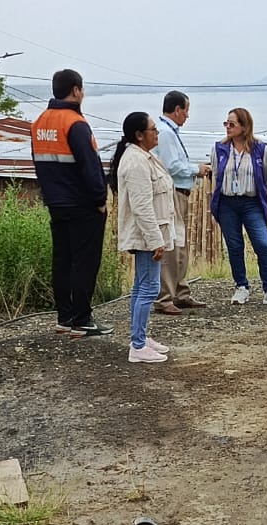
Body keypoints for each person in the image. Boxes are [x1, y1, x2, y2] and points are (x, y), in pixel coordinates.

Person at [30, 69, 112, 337]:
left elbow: (39, 165)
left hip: (56, 203)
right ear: (76, 90)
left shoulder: (39, 122)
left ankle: (64, 317)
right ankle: (82, 319)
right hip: (82, 204)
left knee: (62, 260)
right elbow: (90, 166)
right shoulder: (75, 123)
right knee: (84, 261)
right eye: (82, 89)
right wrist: (100, 199)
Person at [112, 112, 181, 363]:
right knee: (149, 288)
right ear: (140, 135)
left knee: (141, 286)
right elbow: (141, 206)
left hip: (150, 233)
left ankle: (139, 336)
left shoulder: (144, 157)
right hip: (146, 236)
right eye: (153, 129)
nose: (157, 132)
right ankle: (138, 345)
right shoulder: (136, 162)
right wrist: (155, 240)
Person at [209, 108, 267, 306]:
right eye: (226, 124)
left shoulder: (261, 150)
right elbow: (216, 174)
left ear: (244, 126)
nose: (228, 128)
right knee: (234, 246)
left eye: (232, 124)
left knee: (262, 243)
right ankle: (241, 287)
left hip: (251, 202)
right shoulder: (220, 149)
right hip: (227, 202)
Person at [151, 90, 211, 316]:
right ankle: (165, 297)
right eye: (186, 110)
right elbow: (172, 166)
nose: (187, 115)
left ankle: (180, 292)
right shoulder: (166, 133)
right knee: (172, 244)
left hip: (179, 191)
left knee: (180, 242)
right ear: (177, 110)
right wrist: (196, 169)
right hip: (172, 192)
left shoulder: (168, 131)